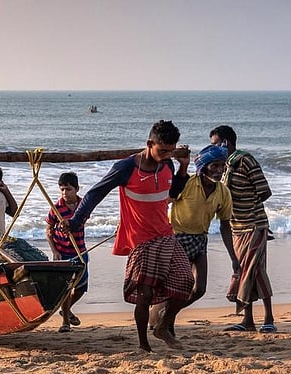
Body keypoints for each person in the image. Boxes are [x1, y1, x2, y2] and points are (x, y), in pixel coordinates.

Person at [65, 120, 192, 352]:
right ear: (149, 144)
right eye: (163, 151)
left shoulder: (168, 165)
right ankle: (144, 345)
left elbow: (173, 193)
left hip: (166, 235)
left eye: (171, 151)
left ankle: (163, 327)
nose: (167, 156)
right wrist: (76, 220)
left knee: (186, 281)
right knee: (145, 294)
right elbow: (96, 193)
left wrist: (183, 168)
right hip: (140, 239)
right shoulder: (126, 168)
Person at [149, 144, 237, 336]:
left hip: (200, 240)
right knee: (178, 287)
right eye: (214, 166)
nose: (219, 170)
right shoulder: (187, 183)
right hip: (177, 238)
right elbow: (163, 201)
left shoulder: (223, 192)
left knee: (199, 289)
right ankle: (166, 325)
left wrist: (233, 257)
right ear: (204, 167)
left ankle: (165, 315)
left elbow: (225, 226)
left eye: (222, 166)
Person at [210, 125, 276, 333]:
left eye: (216, 144)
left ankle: (269, 318)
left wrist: (246, 202)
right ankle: (248, 320)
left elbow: (264, 191)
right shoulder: (223, 166)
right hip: (236, 227)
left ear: (226, 142)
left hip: (254, 224)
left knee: (254, 270)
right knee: (246, 271)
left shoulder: (246, 160)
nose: (214, 149)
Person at [45, 172, 89, 333]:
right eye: (62, 189)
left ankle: (67, 309)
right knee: (65, 288)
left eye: (68, 189)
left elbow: (83, 219)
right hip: (63, 252)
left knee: (81, 287)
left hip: (80, 250)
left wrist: (71, 224)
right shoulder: (56, 208)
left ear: (76, 189)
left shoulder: (83, 205)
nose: (65, 193)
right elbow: (48, 230)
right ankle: (65, 322)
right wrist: (54, 251)